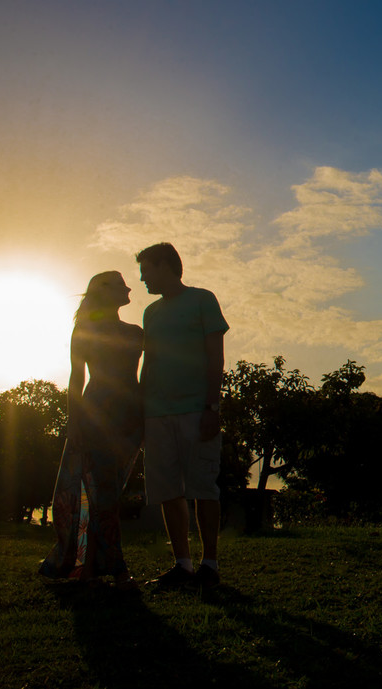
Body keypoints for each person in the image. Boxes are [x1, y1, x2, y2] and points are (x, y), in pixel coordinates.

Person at [39, 272, 143, 590]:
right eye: (120, 284)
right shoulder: (84, 331)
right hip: (96, 416)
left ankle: (92, 566)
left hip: (130, 418)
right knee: (97, 495)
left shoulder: (137, 332)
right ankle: (109, 568)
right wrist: (74, 422)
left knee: (109, 492)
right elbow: (76, 379)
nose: (128, 288)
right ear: (104, 291)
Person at [136, 243, 229, 589]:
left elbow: (215, 359)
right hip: (157, 414)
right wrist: (142, 410)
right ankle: (182, 565)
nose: (143, 279)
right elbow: (150, 363)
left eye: (146, 271)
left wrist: (211, 407)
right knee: (167, 490)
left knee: (203, 488)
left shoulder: (203, 299)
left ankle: (210, 564)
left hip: (196, 410)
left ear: (164, 266)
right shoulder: (151, 313)